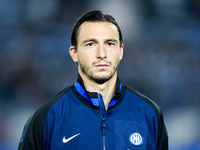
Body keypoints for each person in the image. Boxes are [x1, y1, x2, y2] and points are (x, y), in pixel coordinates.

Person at [18, 10, 168, 150]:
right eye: (91, 44)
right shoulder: (47, 118)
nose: (101, 54)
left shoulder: (149, 114)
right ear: (74, 53)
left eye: (109, 44)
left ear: (121, 51)